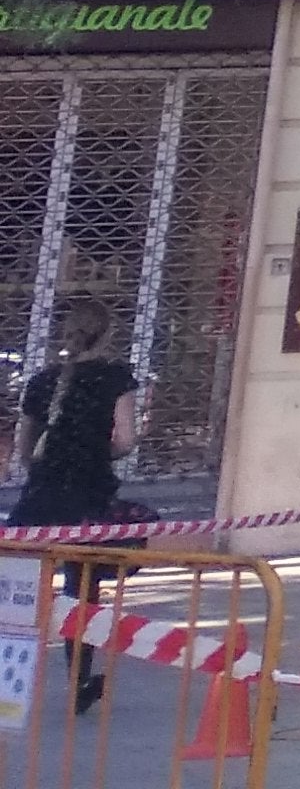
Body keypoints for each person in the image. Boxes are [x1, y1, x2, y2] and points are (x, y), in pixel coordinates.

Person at [9, 304, 141, 716]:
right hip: (88, 497)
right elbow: (126, 439)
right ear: (106, 335)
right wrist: (95, 454)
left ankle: (8, 687)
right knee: (81, 593)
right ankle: (80, 680)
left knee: (14, 595)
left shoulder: (42, 381)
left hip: (40, 501)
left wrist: (48, 467)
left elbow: (23, 449)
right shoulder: (115, 377)